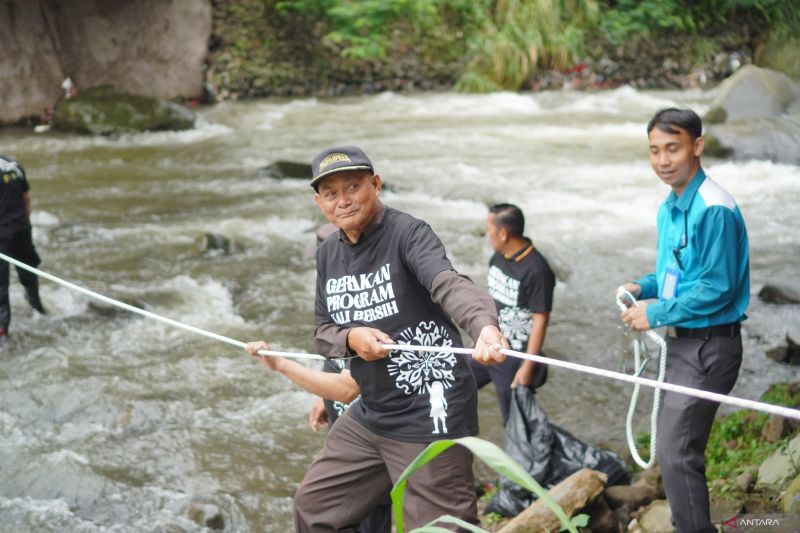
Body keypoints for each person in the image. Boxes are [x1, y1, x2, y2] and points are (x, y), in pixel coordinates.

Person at [295, 145, 508, 532]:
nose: (343, 201)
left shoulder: (408, 233)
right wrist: (351, 338)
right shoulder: (328, 254)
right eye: (331, 193)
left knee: (441, 528)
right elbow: (323, 332)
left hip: (430, 413)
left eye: (353, 187)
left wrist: (484, 326)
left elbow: (448, 283)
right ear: (319, 202)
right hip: (372, 411)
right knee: (315, 510)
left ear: (375, 185)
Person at [618, 107, 749, 533]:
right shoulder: (670, 207)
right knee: (677, 452)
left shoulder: (714, 208)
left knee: (677, 454)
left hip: (711, 345)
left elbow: (718, 287)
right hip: (683, 344)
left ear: (697, 146)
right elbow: (675, 276)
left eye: (673, 148)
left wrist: (654, 313)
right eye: (654, 151)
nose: (663, 160)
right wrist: (643, 288)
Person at [470, 203, 555, 424]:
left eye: (489, 231)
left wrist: (527, 366)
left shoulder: (537, 270)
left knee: (514, 421)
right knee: (454, 383)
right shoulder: (498, 257)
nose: (487, 236)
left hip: (514, 357)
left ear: (503, 233)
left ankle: (522, 458)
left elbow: (540, 320)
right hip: (490, 344)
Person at [0, 155, 46, 344]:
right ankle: (38, 307)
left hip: (2, 234)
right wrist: (24, 224)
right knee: (29, 271)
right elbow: (26, 200)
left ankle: (3, 331)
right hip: (22, 229)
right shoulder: (14, 165)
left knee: (1, 285)